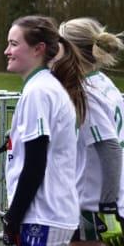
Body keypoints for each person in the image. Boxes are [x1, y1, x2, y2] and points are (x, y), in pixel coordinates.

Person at [2, 15, 87, 246]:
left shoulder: (39, 91)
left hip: (43, 214)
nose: (6, 51)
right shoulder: (44, 87)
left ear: (38, 49)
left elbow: (35, 163)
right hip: (50, 214)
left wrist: (13, 218)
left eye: (14, 44)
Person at [59, 18, 124, 245]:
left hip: (92, 205)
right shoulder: (104, 82)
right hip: (108, 200)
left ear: (70, 50)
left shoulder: (85, 93)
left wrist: (107, 207)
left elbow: (111, 148)